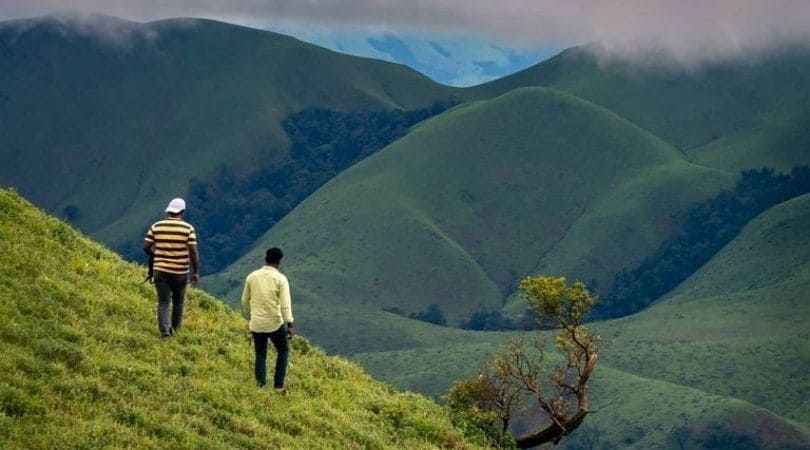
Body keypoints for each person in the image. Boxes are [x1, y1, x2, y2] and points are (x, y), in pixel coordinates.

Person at [143, 198, 200, 338]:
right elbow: (192, 251)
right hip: (180, 272)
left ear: (169, 211)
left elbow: (146, 247)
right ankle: (175, 330)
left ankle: (165, 333)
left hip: (160, 270)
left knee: (163, 302)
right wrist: (196, 271)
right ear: (182, 211)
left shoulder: (157, 226)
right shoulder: (188, 228)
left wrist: (156, 257)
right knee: (178, 302)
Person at [241, 247, 294, 392]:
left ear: (266, 258)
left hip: (257, 323)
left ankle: (260, 386)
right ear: (279, 261)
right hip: (275, 323)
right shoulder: (280, 279)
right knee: (283, 350)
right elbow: (285, 305)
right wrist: (289, 324)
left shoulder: (252, 276)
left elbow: (244, 300)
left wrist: (253, 313)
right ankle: (278, 385)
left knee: (260, 354)